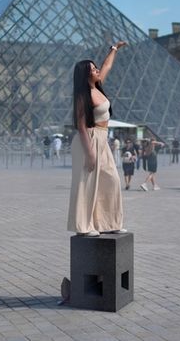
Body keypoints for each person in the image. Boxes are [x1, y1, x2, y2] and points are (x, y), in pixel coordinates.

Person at [68, 41, 128, 237]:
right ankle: (83, 226)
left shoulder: (97, 87)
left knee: (111, 180)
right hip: (90, 140)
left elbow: (107, 65)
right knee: (86, 183)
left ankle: (109, 222)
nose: (97, 70)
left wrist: (113, 49)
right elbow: (82, 127)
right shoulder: (83, 96)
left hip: (102, 139)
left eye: (96, 68)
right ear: (86, 75)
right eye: (93, 69)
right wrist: (90, 153)